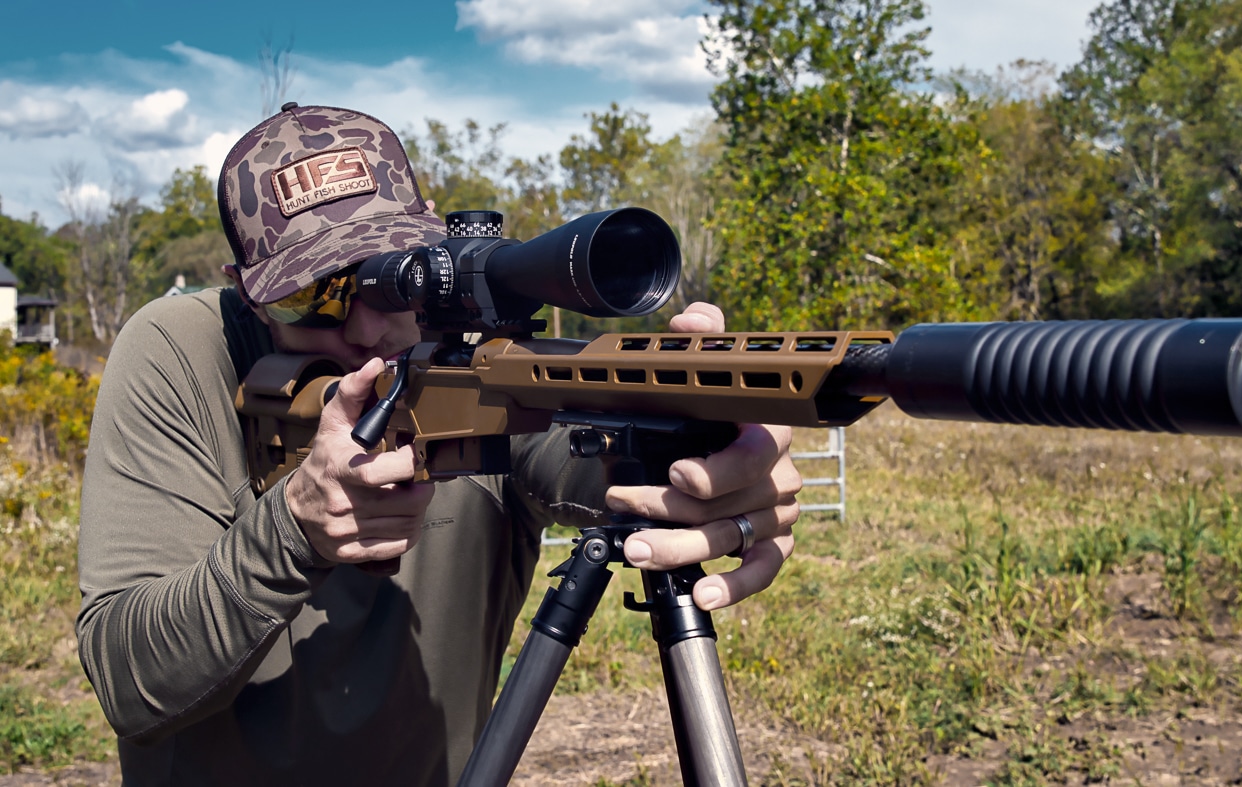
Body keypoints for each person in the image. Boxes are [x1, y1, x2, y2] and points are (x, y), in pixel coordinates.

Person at [75, 103, 801, 786]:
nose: (363, 327)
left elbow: (585, 462)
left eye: (390, 282)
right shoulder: (179, 351)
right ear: (247, 292)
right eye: (313, 296)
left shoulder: (472, 360)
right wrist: (293, 531)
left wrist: (700, 444)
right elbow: (131, 680)